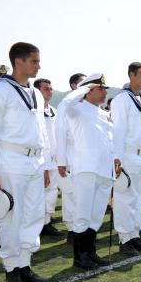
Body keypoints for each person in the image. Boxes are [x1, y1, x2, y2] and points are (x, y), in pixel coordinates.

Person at [0, 42, 50, 282]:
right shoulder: (0, 90)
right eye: (34, 61)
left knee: (33, 213)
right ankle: (12, 269)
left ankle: (25, 264)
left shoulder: (36, 93)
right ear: (19, 61)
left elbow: (42, 132)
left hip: (35, 161)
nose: (38, 66)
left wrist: (46, 164)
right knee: (12, 217)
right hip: (11, 160)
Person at [62, 73, 114, 269]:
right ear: (89, 90)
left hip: (104, 170)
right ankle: (80, 257)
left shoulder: (104, 114)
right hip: (86, 168)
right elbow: (65, 104)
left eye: (104, 89)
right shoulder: (77, 108)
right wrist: (83, 88)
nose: (104, 92)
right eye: (100, 88)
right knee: (82, 214)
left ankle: (91, 253)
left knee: (96, 215)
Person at [111, 62, 141, 255]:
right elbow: (118, 130)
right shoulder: (121, 99)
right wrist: (117, 159)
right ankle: (125, 238)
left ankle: (135, 235)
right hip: (128, 156)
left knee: (140, 199)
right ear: (132, 75)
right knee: (125, 199)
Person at [56, 73, 87, 243]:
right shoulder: (67, 106)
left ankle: (83, 230)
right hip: (70, 156)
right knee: (70, 195)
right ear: (74, 86)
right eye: (83, 83)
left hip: (85, 157)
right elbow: (60, 135)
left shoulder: (87, 106)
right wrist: (62, 161)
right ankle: (71, 230)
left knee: (84, 196)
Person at [34, 77, 62, 237]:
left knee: (51, 193)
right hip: (40, 161)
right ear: (37, 91)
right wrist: (43, 165)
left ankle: (47, 222)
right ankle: (38, 225)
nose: (49, 92)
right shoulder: (34, 111)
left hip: (55, 160)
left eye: (51, 89)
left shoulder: (54, 111)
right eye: (46, 89)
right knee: (38, 193)